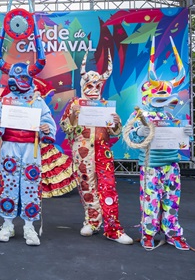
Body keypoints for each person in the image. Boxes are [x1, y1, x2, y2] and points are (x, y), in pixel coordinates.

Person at [0, 11, 57, 246]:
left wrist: (47, 129)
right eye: (13, 79)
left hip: (31, 149)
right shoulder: (4, 100)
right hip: (8, 148)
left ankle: (29, 227)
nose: (18, 83)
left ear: (29, 79)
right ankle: (7, 225)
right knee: (7, 184)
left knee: (29, 184)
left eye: (22, 78)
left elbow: (48, 121)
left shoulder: (37, 100)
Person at [124, 36, 190, 251]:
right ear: (148, 94)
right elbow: (129, 138)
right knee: (151, 202)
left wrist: (187, 134)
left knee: (172, 201)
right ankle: (149, 233)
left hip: (172, 166)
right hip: (151, 166)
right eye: (160, 94)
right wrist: (139, 132)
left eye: (167, 94)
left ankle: (172, 232)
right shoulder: (141, 115)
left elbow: (182, 143)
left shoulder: (173, 117)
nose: (166, 98)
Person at [59, 50, 133, 245]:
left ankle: (113, 228)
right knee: (87, 187)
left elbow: (115, 132)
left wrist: (116, 122)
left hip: (103, 150)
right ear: (83, 85)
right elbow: (66, 128)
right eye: (90, 84)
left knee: (108, 187)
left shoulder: (105, 105)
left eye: (97, 84)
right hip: (82, 152)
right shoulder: (74, 103)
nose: (93, 88)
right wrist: (74, 115)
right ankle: (92, 221)